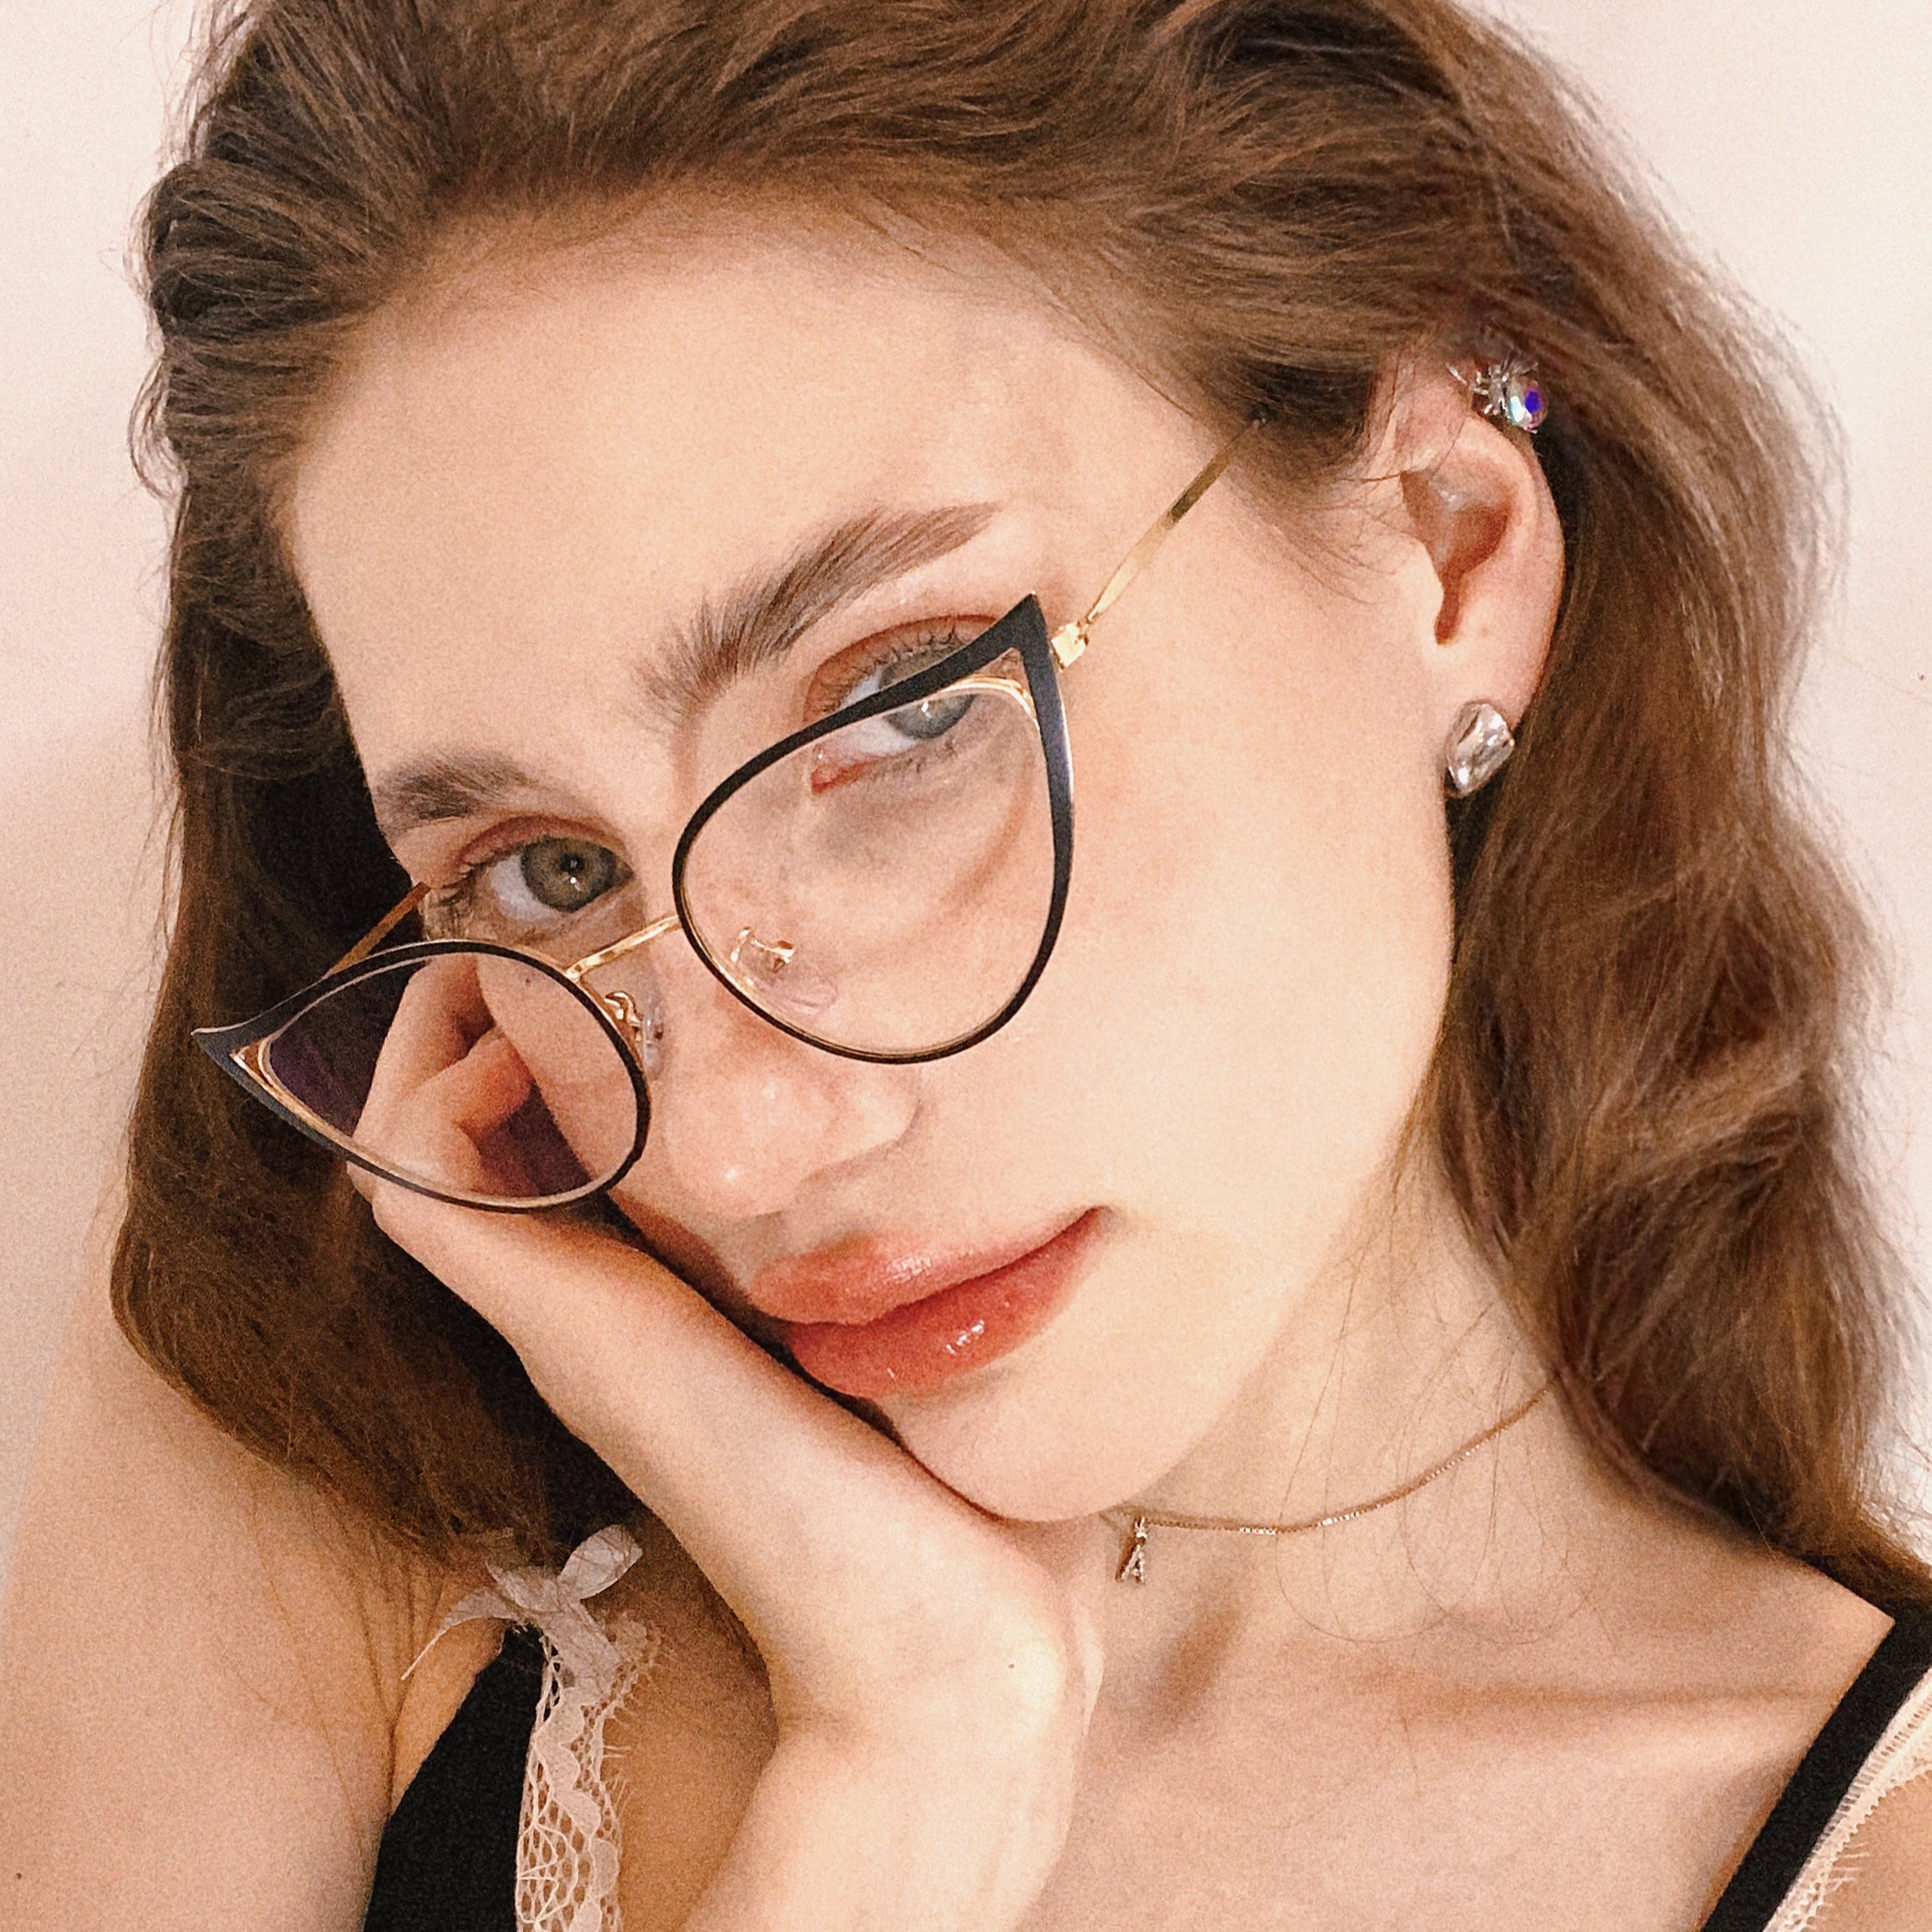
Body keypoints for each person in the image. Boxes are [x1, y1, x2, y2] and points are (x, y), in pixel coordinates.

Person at [3, 0, 1929, 1925]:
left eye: (909, 713)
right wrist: (904, 1777)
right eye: (549, 868)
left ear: (1447, 544)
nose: (739, 1142)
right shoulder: (308, 1496)